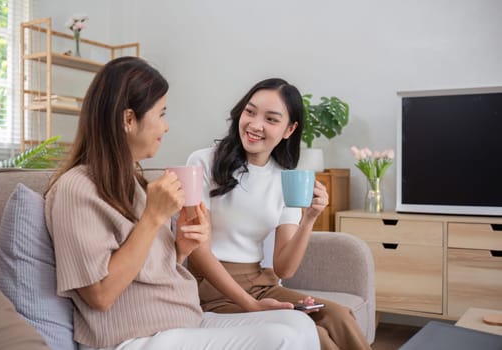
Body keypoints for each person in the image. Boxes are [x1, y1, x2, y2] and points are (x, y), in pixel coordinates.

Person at [44, 57, 320, 350]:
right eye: (161, 114)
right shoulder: (77, 188)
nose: (166, 127)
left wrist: (179, 249)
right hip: (136, 337)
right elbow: (100, 294)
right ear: (128, 120)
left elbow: (146, 271)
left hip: (178, 322)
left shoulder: (131, 184)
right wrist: (153, 217)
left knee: (299, 324)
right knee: (283, 338)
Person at [186, 78, 372, 350]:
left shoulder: (285, 178)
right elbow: (198, 253)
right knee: (315, 335)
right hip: (211, 288)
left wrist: (309, 217)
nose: (255, 125)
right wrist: (252, 305)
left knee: (339, 315)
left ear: (289, 129)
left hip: (261, 282)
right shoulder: (202, 162)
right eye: (250, 112)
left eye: (271, 119)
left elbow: (284, 267)